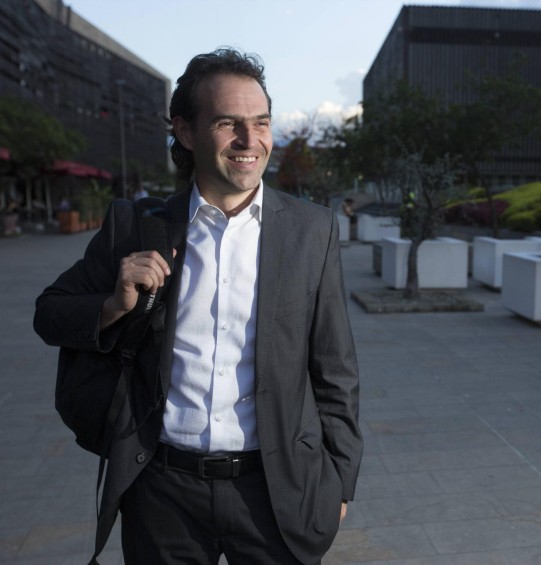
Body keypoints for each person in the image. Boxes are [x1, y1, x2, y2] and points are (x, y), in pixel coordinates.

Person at [34, 48, 362, 565]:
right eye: (229, 123)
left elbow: (335, 368)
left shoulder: (311, 230)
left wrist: (340, 480)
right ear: (185, 132)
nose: (249, 141)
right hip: (163, 492)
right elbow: (49, 313)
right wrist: (112, 305)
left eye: (260, 123)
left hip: (276, 492)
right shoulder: (135, 225)